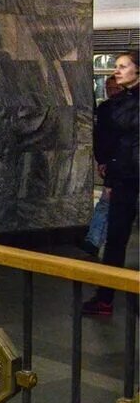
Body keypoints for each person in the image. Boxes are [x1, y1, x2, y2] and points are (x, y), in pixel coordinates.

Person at [83, 50, 139, 317]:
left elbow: (121, 126)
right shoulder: (117, 104)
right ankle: (105, 298)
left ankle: (106, 299)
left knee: (117, 238)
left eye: (123, 67)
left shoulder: (119, 107)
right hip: (125, 176)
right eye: (115, 66)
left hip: (129, 174)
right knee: (115, 239)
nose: (116, 71)